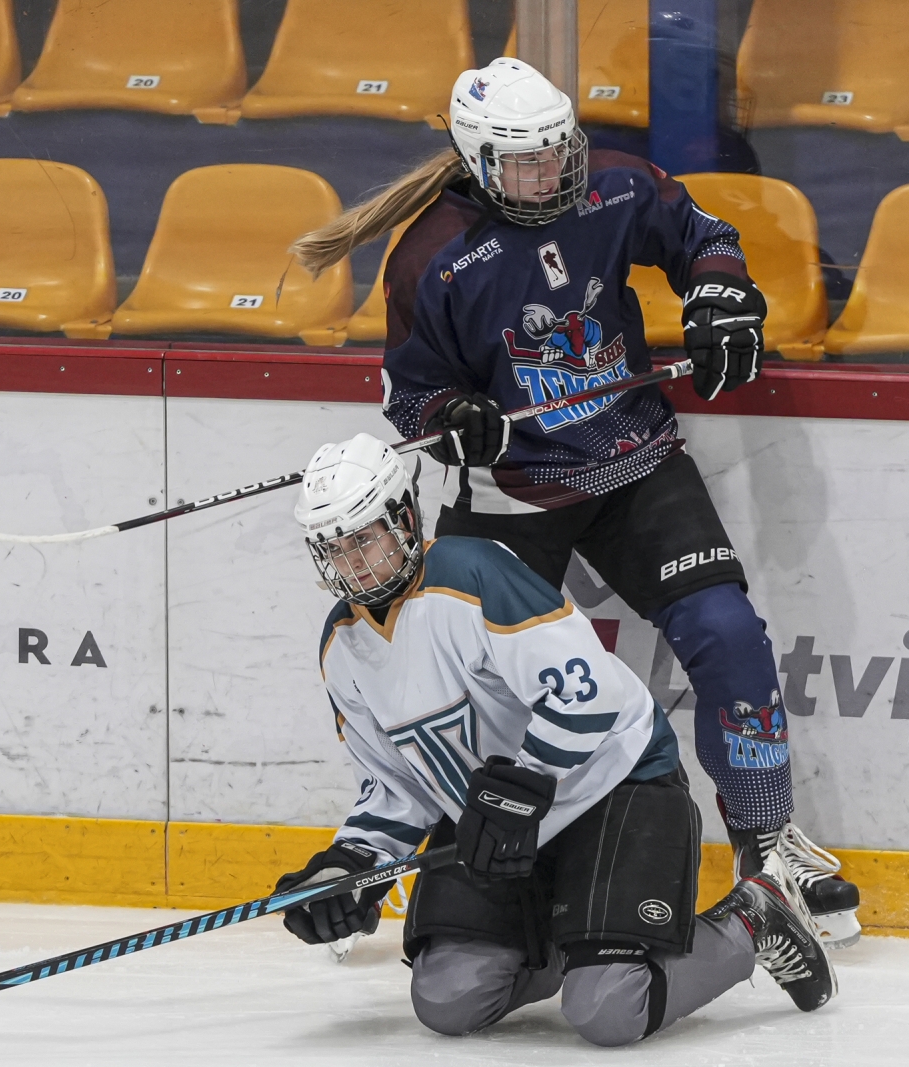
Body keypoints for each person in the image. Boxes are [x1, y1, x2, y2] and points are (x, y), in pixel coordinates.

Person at [292, 57, 859, 946]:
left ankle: (769, 846)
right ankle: (423, 860)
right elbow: (411, 395)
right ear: (480, 162)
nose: (552, 173)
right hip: (511, 493)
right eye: (527, 162)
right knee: (459, 680)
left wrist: (720, 296)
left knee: (726, 632)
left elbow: (700, 232)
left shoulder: (611, 188)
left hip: (633, 460)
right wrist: (454, 419)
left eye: (559, 151)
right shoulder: (432, 260)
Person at [275, 433, 836, 1045]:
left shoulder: (473, 573)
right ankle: (572, 943)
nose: (353, 563)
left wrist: (520, 787)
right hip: (501, 828)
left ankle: (758, 917)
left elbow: (589, 696)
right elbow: (395, 787)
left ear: (404, 518)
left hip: (614, 785)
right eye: (335, 549)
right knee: (448, 1000)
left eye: (364, 539)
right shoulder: (341, 647)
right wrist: (351, 866)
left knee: (610, 1009)